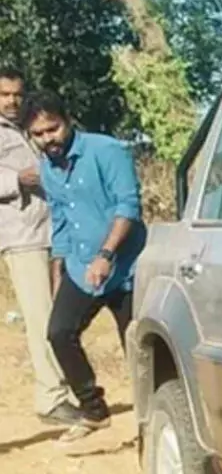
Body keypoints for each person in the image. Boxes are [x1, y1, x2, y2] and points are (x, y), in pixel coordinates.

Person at [22, 88, 146, 443]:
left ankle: (152, 424)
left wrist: (106, 255)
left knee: (137, 348)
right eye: (39, 134)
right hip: (81, 268)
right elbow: (59, 219)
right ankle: (93, 410)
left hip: (125, 268)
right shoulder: (47, 169)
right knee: (58, 333)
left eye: (53, 129)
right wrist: (59, 271)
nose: (48, 139)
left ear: (68, 120)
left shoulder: (107, 151)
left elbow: (128, 207)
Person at [0, 68, 81, 429]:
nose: (12, 101)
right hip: (21, 235)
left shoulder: (30, 125)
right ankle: (51, 398)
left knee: (61, 315)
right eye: (4, 94)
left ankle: (67, 389)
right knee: (41, 318)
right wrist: (16, 179)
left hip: (54, 231)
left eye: (17, 94)